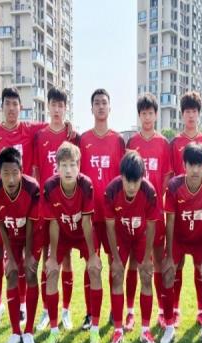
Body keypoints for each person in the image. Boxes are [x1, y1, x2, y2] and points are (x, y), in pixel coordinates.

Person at [0, 87, 46, 329]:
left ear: (21, 107)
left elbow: (54, 125)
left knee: (21, 255)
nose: (11, 108)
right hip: (0, 201)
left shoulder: (29, 129)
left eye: (15, 104)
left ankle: (21, 306)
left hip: (24, 203)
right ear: (2, 107)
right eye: (7, 103)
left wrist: (68, 124)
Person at [43, 142, 103, 343]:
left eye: (72, 164)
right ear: (57, 167)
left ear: (79, 166)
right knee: (51, 271)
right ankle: (53, 331)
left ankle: (94, 330)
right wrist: (52, 257)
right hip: (61, 233)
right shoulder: (50, 186)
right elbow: (53, 223)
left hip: (82, 234)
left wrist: (92, 255)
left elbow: (87, 222)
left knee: (94, 269)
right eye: (64, 165)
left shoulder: (86, 185)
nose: (68, 170)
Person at [160, 143, 202, 343]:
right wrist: (169, 255)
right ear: (184, 165)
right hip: (178, 238)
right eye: (191, 165)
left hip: (200, 240)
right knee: (168, 273)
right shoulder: (174, 186)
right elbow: (170, 220)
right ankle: (169, 326)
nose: (195, 170)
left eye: (199, 165)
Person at [32, 87, 80, 332]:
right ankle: (46, 310)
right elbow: (36, 170)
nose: (57, 109)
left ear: (65, 108)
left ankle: (66, 310)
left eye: (61, 105)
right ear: (48, 107)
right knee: (47, 260)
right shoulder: (40, 135)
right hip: (46, 207)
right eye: (54, 105)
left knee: (67, 259)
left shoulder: (72, 136)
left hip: (67, 208)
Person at [125, 93, 172, 331]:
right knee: (134, 262)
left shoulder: (163, 143)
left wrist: (155, 201)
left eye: (150, 113)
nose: (147, 117)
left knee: (158, 261)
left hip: (156, 212)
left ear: (156, 115)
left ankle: (162, 311)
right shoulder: (132, 143)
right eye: (143, 113)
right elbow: (126, 176)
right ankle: (130, 312)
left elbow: (166, 177)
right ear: (139, 115)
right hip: (134, 213)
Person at [0, 147, 41, 343]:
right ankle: (15, 332)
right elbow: (0, 225)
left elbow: (31, 223)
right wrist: (9, 257)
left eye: (15, 173)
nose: (10, 179)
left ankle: (29, 331)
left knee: (30, 273)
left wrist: (28, 255)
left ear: (21, 171)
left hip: (31, 235)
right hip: (10, 236)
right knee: (10, 274)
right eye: (6, 173)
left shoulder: (32, 187)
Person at [79, 89, 125, 329]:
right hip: (89, 214)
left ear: (110, 107)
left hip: (112, 216)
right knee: (91, 264)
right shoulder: (83, 140)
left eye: (104, 103)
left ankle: (114, 313)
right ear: (91, 108)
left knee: (115, 263)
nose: (100, 106)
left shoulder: (118, 140)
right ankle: (90, 313)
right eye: (96, 103)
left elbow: (124, 178)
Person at [169, 91, 202, 328]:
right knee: (176, 264)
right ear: (182, 114)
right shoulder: (175, 142)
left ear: (199, 114)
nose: (190, 115)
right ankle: (174, 309)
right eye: (187, 111)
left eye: (194, 111)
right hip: (180, 210)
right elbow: (171, 177)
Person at [104, 151, 158, 343]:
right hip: (121, 237)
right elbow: (110, 227)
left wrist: (147, 259)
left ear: (142, 177)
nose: (132, 186)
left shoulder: (149, 191)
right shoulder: (111, 191)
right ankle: (118, 330)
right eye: (128, 181)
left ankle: (145, 330)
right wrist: (115, 259)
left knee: (146, 277)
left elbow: (151, 226)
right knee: (117, 275)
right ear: (121, 176)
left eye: (136, 181)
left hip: (141, 236)